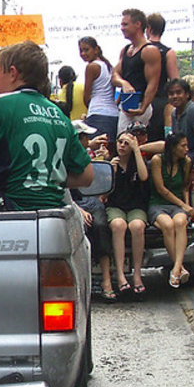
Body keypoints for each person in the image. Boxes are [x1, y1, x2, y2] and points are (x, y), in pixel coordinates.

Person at [0, 40, 94, 210]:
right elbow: (87, 176)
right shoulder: (60, 115)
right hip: (52, 213)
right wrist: (47, 178)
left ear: (13, 73)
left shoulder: (0, 105)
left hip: (11, 211)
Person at [105, 130, 150, 299]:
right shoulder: (111, 163)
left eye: (126, 143)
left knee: (137, 226)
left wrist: (136, 149)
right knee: (118, 225)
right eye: (120, 142)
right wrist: (112, 172)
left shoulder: (137, 162)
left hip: (135, 206)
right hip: (116, 206)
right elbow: (104, 195)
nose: (122, 146)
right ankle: (120, 275)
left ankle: (137, 275)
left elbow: (144, 177)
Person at [71, 121, 113, 300]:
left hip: (93, 202)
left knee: (101, 225)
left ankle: (106, 280)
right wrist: (78, 209)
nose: (88, 140)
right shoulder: (66, 158)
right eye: (85, 137)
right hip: (75, 203)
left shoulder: (91, 155)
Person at [148, 132, 194, 288]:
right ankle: (180, 268)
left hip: (177, 205)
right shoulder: (157, 160)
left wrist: (186, 206)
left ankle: (175, 269)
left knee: (180, 222)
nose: (186, 149)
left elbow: (185, 186)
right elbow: (161, 189)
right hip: (158, 204)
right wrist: (183, 205)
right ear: (173, 148)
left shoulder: (186, 162)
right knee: (167, 225)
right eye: (183, 146)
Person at [112, 8, 162, 135]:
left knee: (134, 143)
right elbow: (114, 75)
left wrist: (143, 108)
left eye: (125, 24)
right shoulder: (126, 50)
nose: (122, 28)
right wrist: (124, 83)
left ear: (138, 24)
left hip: (140, 104)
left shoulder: (149, 50)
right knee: (122, 143)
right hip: (125, 105)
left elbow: (153, 83)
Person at [167, 77, 194, 184]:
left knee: (193, 190)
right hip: (183, 156)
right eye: (171, 94)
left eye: (178, 93)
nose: (175, 96)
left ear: (187, 94)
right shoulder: (174, 113)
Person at [78, 36, 119, 152]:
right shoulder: (109, 66)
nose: (83, 53)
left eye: (86, 49)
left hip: (97, 114)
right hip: (113, 115)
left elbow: (86, 97)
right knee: (108, 152)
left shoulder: (91, 67)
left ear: (96, 49)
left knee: (96, 152)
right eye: (81, 50)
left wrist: (89, 109)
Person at [144, 12, 179, 142]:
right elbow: (175, 81)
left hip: (141, 101)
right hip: (161, 102)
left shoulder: (140, 50)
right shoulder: (168, 52)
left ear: (148, 28)